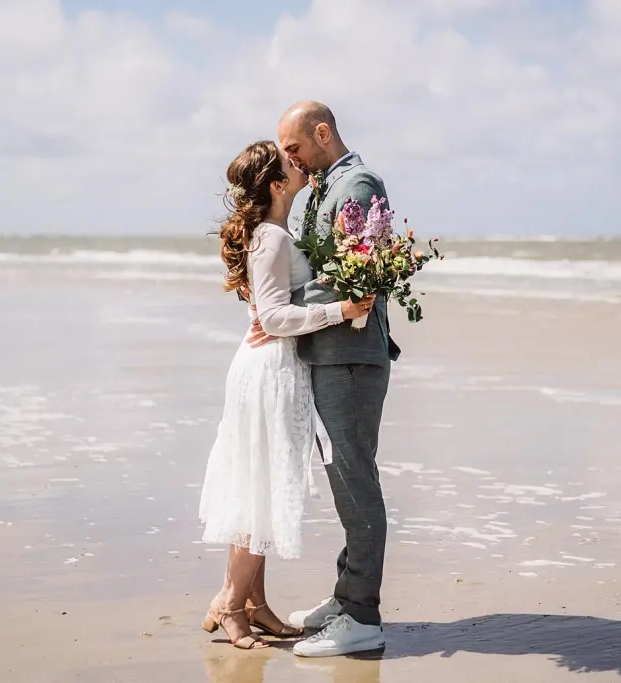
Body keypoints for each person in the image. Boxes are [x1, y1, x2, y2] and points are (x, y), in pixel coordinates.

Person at [198, 140, 375, 650]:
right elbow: (274, 318)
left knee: (261, 482)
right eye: (289, 164)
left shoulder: (274, 233)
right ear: (277, 185)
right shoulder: (273, 237)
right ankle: (230, 604)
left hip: (269, 366)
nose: (298, 165)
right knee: (261, 488)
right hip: (269, 369)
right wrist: (341, 310)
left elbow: (271, 307)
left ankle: (255, 603)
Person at [248, 101, 401, 658]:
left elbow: (352, 277)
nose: (289, 159)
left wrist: (277, 305)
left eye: (294, 148)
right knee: (345, 481)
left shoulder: (357, 184)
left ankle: (362, 615)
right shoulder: (321, 188)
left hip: (352, 357)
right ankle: (346, 597)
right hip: (329, 353)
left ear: (322, 133)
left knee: (355, 481)